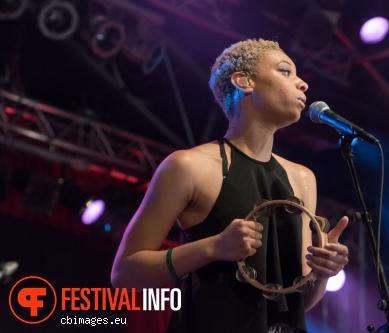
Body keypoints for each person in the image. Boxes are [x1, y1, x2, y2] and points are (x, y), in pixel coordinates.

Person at [111, 38, 349, 333]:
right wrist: (213, 247)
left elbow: (296, 302)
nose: (303, 84)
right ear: (244, 81)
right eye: (286, 71)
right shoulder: (188, 166)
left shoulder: (303, 179)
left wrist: (323, 273)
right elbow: (125, 273)